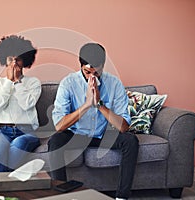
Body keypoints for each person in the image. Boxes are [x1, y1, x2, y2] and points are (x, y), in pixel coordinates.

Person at [48, 43, 139, 200]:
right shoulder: (68, 83)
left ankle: (122, 197)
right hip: (76, 134)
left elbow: (123, 127)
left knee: (131, 140)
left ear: (103, 66)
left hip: (103, 134)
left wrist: (99, 104)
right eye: (87, 72)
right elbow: (59, 125)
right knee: (55, 141)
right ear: (81, 65)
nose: (92, 77)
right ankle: (61, 197)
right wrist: (87, 105)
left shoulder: (114, 84)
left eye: (96, 72)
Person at [0, 35, 41, 178]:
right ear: (5, 59)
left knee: (18, 144)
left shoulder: (33, 83)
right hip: (2, 130)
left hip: (26, 130)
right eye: (10, 59)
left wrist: (17, 82)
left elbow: (27, 104)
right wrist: (9, 82)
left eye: (18, 59)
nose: (14, 63)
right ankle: (4, 186)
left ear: (25, 61)